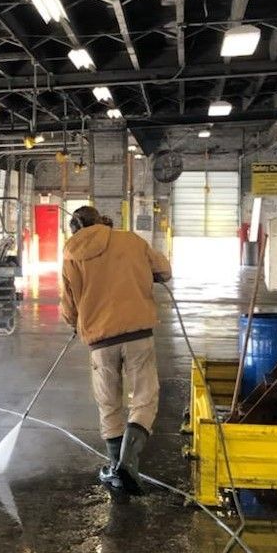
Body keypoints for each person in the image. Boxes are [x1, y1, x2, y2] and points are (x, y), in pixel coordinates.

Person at [60, 206, 172, 495]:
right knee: (145, 397)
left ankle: (117, 468)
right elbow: (164, 271)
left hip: (100, 341)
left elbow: (69, 302)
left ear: (75, 228)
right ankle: (129, 461)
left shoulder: (71, 254)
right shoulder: (131, 240)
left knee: (109, 404)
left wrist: (76, 323)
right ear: (101, 220)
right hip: (137, 334)